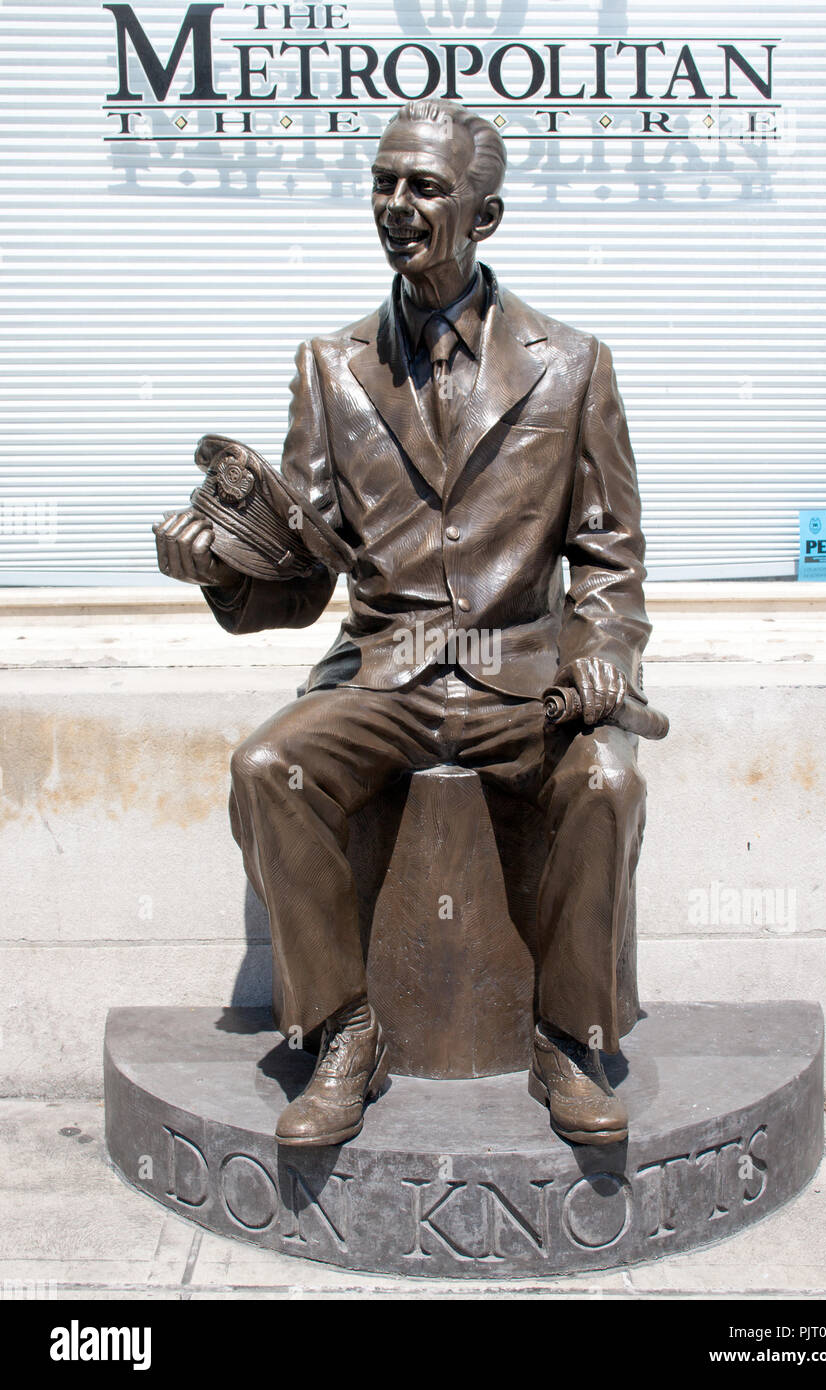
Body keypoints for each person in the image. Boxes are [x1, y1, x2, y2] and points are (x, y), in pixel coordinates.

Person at [154, 99, 652, 1149]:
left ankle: (568, 1036)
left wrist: (603, 654)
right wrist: (222, 572)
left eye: (424, 187)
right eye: (384, 183)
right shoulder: (331, 368)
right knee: (264, 768)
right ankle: (344, 1029)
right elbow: (300, 577)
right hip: (384, 676)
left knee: (607, 784)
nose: (396, 205)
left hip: (522, 675)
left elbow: (607, 561)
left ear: (487, 214)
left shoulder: (574, 365)